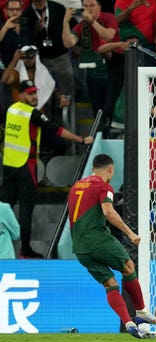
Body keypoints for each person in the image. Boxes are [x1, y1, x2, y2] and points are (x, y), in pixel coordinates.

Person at [68, 154, 156, 339]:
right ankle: (141, 311)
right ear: (110, 169)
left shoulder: (76, 186)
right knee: (128, 266)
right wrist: (130, 233)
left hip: (80, 248)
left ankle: (129, 323)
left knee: (110, 284)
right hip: (98, 241)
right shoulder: (104, 186)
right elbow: (108, 212)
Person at [0, 80, 94, 259]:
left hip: (9, 165)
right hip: (25, 167)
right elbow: (57, 130)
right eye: (30, 93)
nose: (34, 96)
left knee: (3, 207)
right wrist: (81, 140)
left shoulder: (11, 109)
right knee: (26, 209)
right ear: (20, 95)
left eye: (35, 92)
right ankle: (25, 250)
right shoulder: (32, 114)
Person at [61, 0, 119, 117]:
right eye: (85, 6)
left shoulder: (108, 17)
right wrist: (65, 22)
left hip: (114, 71)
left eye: (92, 5)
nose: (88, 9)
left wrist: (92, 21)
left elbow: (108, 36)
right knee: (98, 111)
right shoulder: (82, 24)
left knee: (113, 110)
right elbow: (68, 43)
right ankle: (99, 133)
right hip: (94, 75)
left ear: (99, 7)